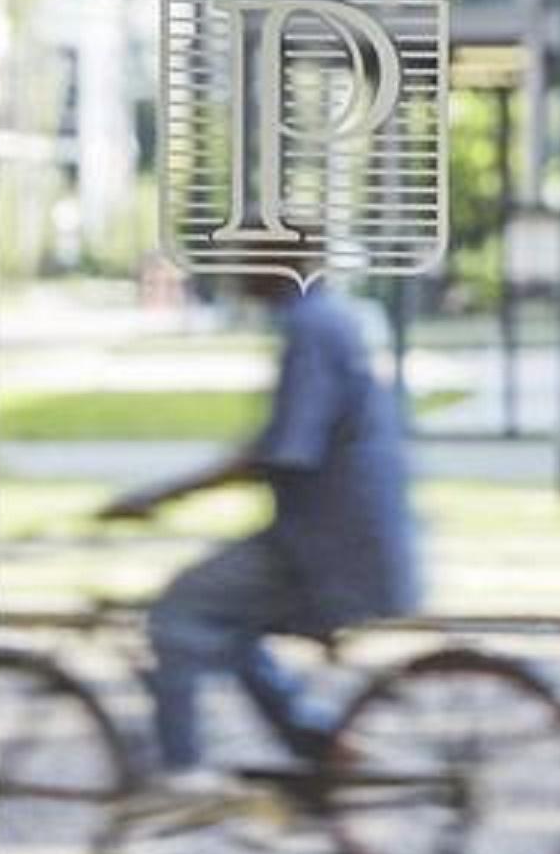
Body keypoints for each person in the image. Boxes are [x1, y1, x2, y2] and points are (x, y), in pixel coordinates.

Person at [101, 272, 422, 794]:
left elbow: (284, 451)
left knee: (180, 611)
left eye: (248, 253)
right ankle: (315, 739)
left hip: (328, 546)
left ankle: (182, 775)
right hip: (342, 536)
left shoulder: (312, 329)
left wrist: (159, 496)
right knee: (229, 620)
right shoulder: (323, 319)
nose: (235, 268)